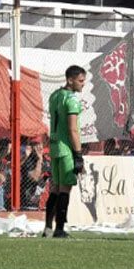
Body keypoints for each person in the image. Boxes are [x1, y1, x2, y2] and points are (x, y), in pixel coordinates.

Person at [45, 65, 87, 238]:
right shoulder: (72, 100)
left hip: (54, 147)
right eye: (80, 80)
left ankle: (48, 228)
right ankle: (60, 229)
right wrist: (78, 154)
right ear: (70, 80)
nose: (83, 84)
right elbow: (72, 130)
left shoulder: (55, 95)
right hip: (66, 148)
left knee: (55, 188)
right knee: (65, 189)